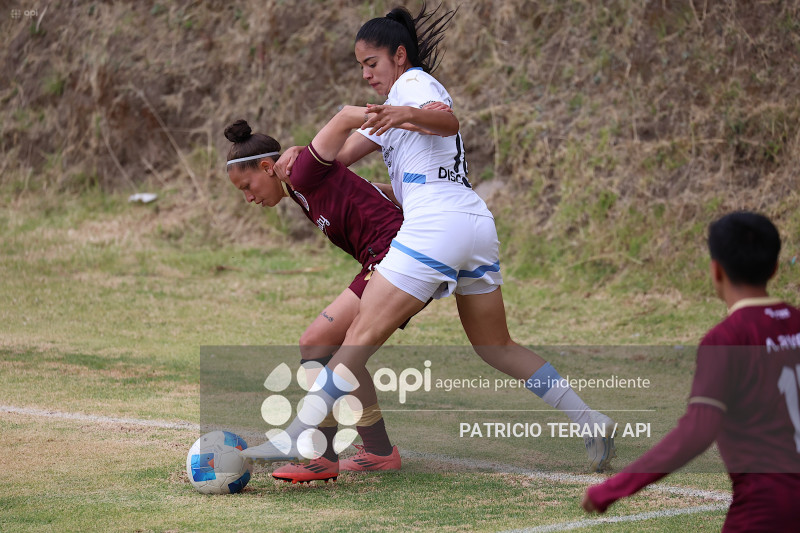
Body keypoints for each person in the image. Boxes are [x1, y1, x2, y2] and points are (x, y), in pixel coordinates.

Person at [243, 3, 616, 473]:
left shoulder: (412, 85)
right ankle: (590, 419)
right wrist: (302, 152)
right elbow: (336, 162)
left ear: (399, 56)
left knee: (358, 337)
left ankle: (301, 434)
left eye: (371, 63)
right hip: (473, 223)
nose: (366, 75)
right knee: (495, 346)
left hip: (437, 226)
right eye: (361, 66)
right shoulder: (393, 114)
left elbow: (447, 121)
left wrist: (403, 111)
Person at [582, 211, 800, 531]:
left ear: (716, 270)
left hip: (765, 514)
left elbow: (697, 431)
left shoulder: (726, 339)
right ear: (776, 267)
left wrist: (614, 487)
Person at [224, 119, 406, 483]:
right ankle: (378, 451)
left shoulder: (303, 169)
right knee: (333, 347)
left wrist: (398, 112)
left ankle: (322, 456)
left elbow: (346, 117)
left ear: (267, 167)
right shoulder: (299, 188)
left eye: (247, 187)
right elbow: (369, 191)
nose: (249, 198)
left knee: (315, 342)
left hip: (396, 258)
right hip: (383, 259)